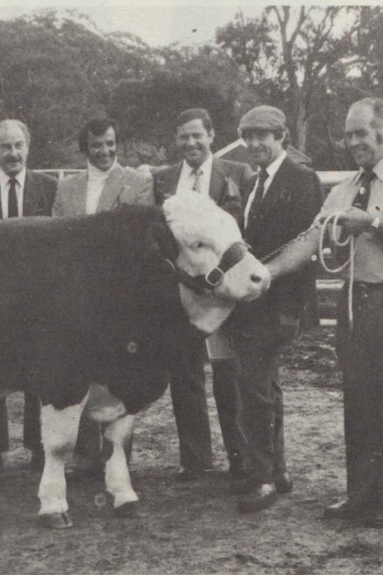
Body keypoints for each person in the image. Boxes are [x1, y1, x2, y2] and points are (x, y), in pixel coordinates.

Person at [264, 97, 383, 525]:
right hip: (353, 301)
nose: (354, 142)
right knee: (358, 400)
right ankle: (363, 492)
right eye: (349, 135)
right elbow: (309, 242)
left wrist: (373, 224)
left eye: (362, 133)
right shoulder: (343, 189)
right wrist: (264, 273)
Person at [226, 105, 325, 513]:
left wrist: (284, 294)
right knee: (264, 384)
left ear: (281, 136)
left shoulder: (301, 179)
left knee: (253, 386)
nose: (253, 145)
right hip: (255, 299)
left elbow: (306, 244)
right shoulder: (251, 183)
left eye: (262, 136)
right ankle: (277, 470)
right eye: (247, 137)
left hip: (282, 299)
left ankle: (261, 477)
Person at [152, 108, 253, 481]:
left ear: (211, 135)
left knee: (230, 376)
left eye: (198, 135)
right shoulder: (163, 180)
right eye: (184, 137)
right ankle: (195, 459)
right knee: (185, 375)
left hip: (224, 294)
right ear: (176, 140)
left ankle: (240, 457)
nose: (191, 143)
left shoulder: (238, 174)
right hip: (183, 296)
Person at [51, 117, 153, 476]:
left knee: (117, 376)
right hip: (77, 296)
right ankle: (83, 455)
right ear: (86, 148)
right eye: (97, 145)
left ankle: (118, 457)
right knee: (78, 372)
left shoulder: (138, 183)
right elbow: (58, 240)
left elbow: (140, 242)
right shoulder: (67, 189)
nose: (105, 150)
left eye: (110, 143)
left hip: (119, 297)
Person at [0, 118, 57, 475]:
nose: (13, 153)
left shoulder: (49, 188)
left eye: (18, 146)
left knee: (40, 373)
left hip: (38, 299)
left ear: (28, 147)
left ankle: (38, 448)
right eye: (5, 147)